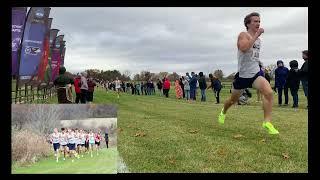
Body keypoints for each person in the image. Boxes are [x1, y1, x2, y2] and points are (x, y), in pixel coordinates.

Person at [218, 12, 279, 134]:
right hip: (242, 76)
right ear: (248, 23)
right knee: (232, 101)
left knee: (269, 93)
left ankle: (267, 122)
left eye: (259, 21)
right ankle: (223, 112)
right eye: (255, 21)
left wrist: (260, 66)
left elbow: (254, 57)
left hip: (255, 73)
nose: (258, 23)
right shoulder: (243, 35)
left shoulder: (259, 40)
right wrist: (256, 35)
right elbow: (244, 48)